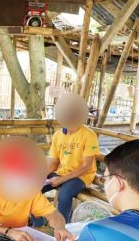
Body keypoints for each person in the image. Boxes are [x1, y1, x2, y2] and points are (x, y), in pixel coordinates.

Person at [41, 94, 100, 223]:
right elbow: (53, 162)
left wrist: (61, 179)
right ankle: (39, 224)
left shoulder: (89, 135)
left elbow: (86, 166)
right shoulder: (58, 135)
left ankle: (64, 229)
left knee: (64, 194)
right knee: (34, 188)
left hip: (82, 176)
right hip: (62, 173)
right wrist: (39, 177)